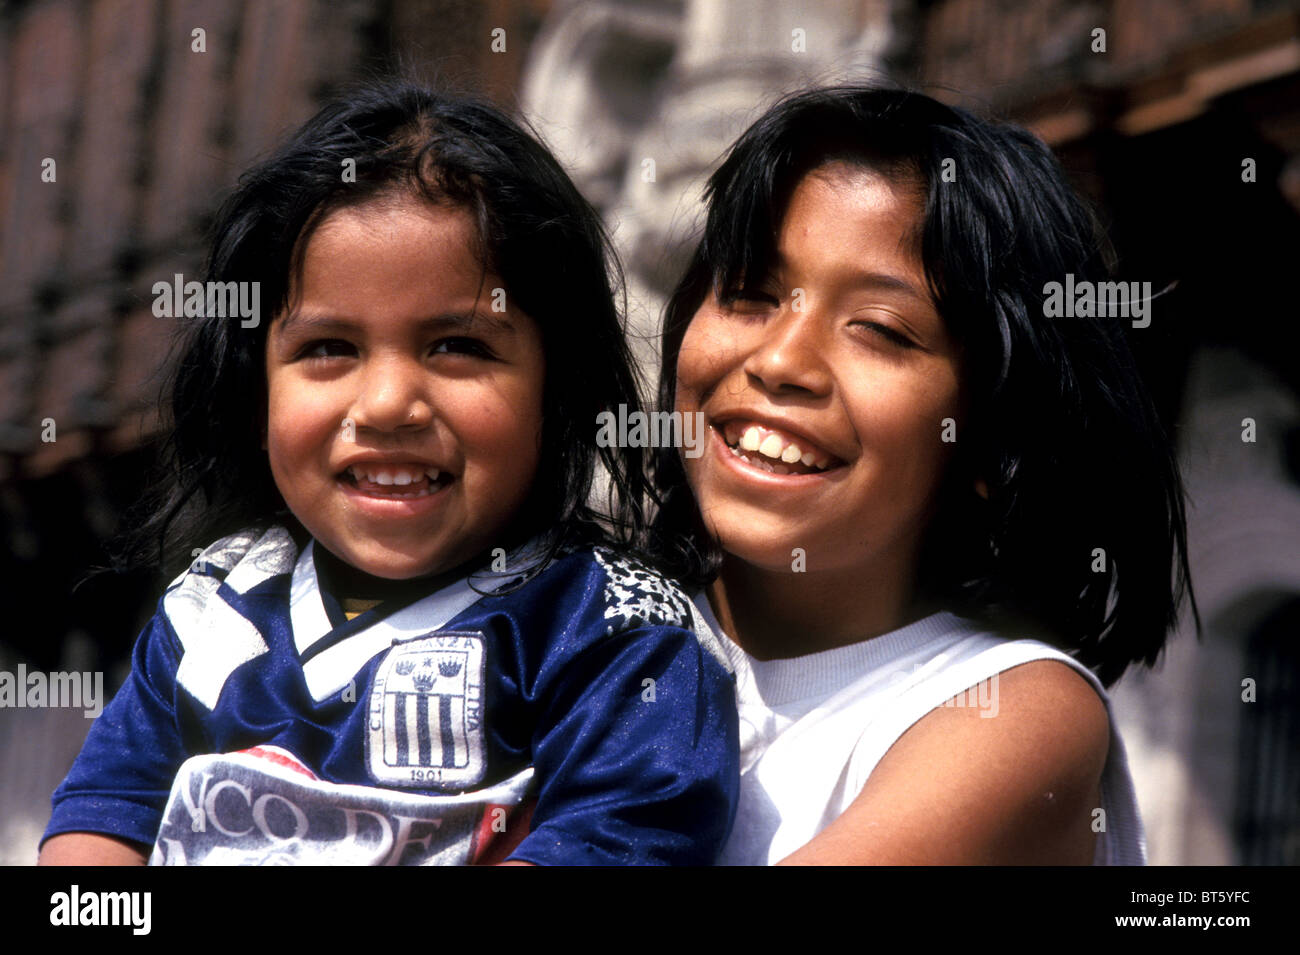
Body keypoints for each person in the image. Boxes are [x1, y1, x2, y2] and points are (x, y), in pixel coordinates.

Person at [39, 80, 738, 866]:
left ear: (559, 384)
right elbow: (98, 829)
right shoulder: (211, 609)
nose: (386, 404)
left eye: (458, 346)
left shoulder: (611, 632)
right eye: (327, 349)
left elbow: (622, 839)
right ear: (256, 384)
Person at [650, 85, 1195, 865]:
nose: (780, 361)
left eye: (878, 330)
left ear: (991, 436)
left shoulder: (1012, 711)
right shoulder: (566, 622)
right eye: (750, 293)